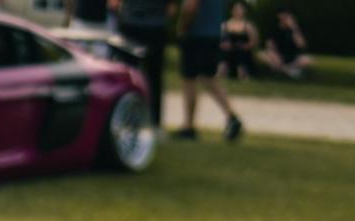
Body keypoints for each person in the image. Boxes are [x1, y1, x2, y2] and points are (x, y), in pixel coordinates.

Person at [175, 0, 244, 140]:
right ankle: (232, 117)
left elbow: (191, 6)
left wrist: (182, 27)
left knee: (189, 79)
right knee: (208, 78)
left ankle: (188, 126)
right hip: (212, 34)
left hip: (196, 34)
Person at [110, 0, 171, 131]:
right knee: (154, 78)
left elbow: (114, 4)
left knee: (128, 77)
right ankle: (155, 122)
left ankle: (127, 120)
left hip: (131, 24)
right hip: (156, 26)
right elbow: (170, 8)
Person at [261, 9, 311, 78]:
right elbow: (269, 45)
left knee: (307, 60)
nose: (285, 19)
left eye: (287, 17)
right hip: (278, 56)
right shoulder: (274, 29)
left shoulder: (295, 30)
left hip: (293, 57)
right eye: (284, 17)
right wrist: (273, 52)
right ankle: (289, 71)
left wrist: (294, 28)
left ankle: (281, 69)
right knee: (262, 55)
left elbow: (301, 45)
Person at [220, 1, 258, 78]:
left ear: (244, 11)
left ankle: (242, 73)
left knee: (239, 52)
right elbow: (220, 40)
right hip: (228, 51)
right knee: (223, 53)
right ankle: (220, 73)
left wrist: (244, 46)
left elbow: (253, 42)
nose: (238, 11)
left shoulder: (248, 26)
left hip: (243, 51)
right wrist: (223, 45)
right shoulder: (225, 25)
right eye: (236, 9)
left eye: (240, 9)